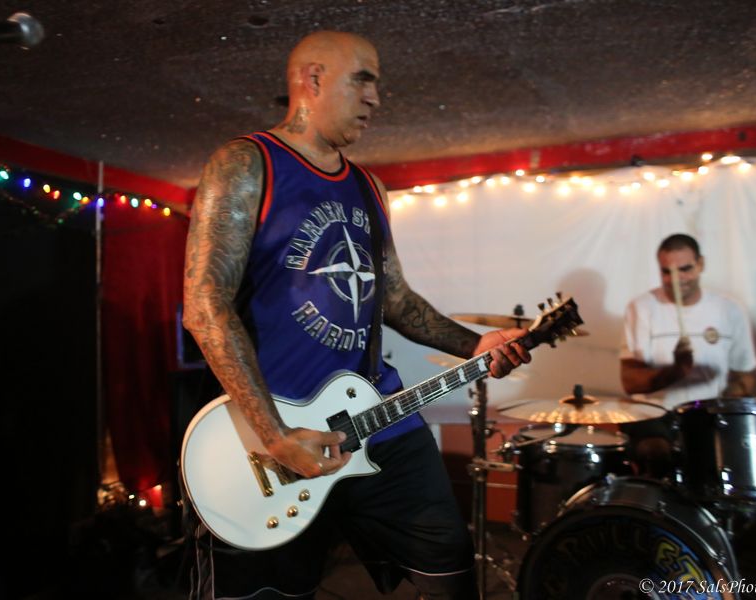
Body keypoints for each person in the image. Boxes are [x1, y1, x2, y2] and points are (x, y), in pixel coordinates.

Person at [182, 31, 531, 599]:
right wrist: (274, 434)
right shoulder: (247, 163)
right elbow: (205, 306)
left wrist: (476, 345)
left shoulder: (368, 187)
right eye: (363, 80)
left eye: (378, 85)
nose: (376, 98)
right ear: (313, 79)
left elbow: (394, 300)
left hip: (379, 416)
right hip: (274, 431)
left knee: (450, 566)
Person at [619, 233, 756, 477]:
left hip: (708, 412)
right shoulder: (641, 307)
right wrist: (676, 371)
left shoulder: (729, 309)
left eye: (685, 269)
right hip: (655, 413)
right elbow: (630, 382)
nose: (676, 279)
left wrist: (725, 403)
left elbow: (744, 376)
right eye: (667, 272)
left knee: (735, 452)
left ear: (700, 264)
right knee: (655, 450)